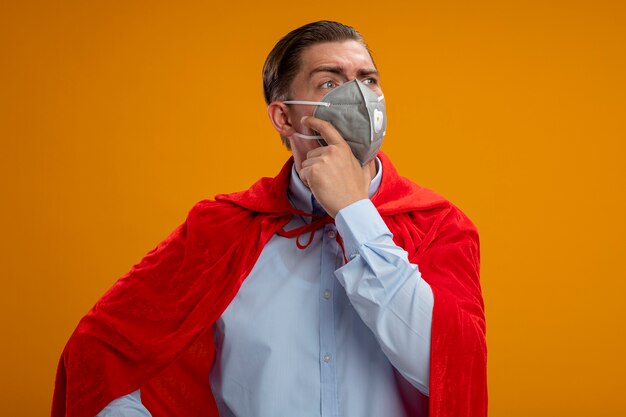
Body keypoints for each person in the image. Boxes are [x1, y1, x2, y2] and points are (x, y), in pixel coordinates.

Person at [52, 21, 487, 417]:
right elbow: (100, 353)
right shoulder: (224, 229)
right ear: (284, 116)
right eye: (329, 81)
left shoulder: (439, 226)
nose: (357, 95)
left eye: (368, 80)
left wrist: (355, 215)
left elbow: (447, 369)